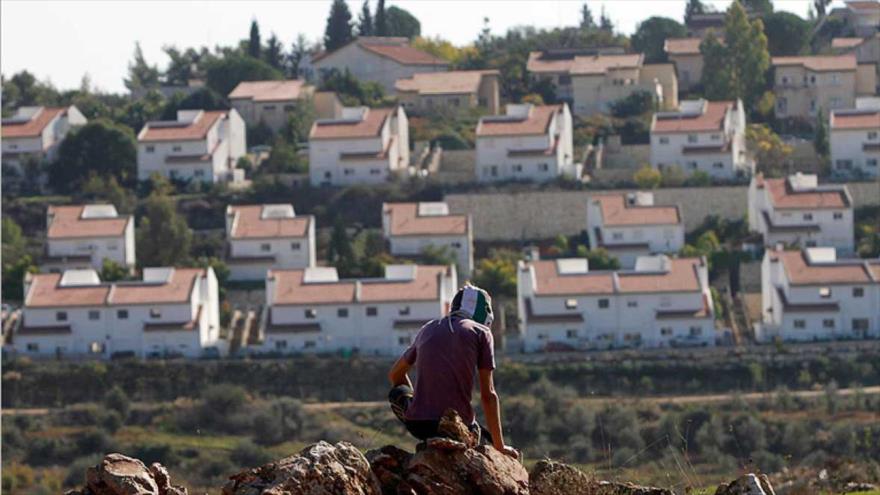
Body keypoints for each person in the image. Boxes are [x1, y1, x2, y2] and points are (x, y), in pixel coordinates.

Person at [387, 284, 518, 459]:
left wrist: (418, 401)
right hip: (456, 426)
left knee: (398, 392)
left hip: (419, 425)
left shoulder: (427, 328)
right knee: (479, 433)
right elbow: (488, 395)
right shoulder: (481, 332)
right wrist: (500, 447)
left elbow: (395, 375)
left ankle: (428, 442)